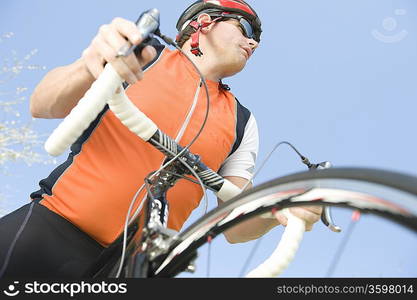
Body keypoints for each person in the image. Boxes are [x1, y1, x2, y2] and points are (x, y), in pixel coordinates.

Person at [0, 0, 322, 277]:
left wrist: (282, 211)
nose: (253, 44)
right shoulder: (145, 55)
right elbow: (41, 104)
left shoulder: (243, 122)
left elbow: (236, 227)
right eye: (246, 30)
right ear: (204, 22)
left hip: (136, 270)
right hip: (52, 229)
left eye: (257, 42)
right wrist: (92, 65)